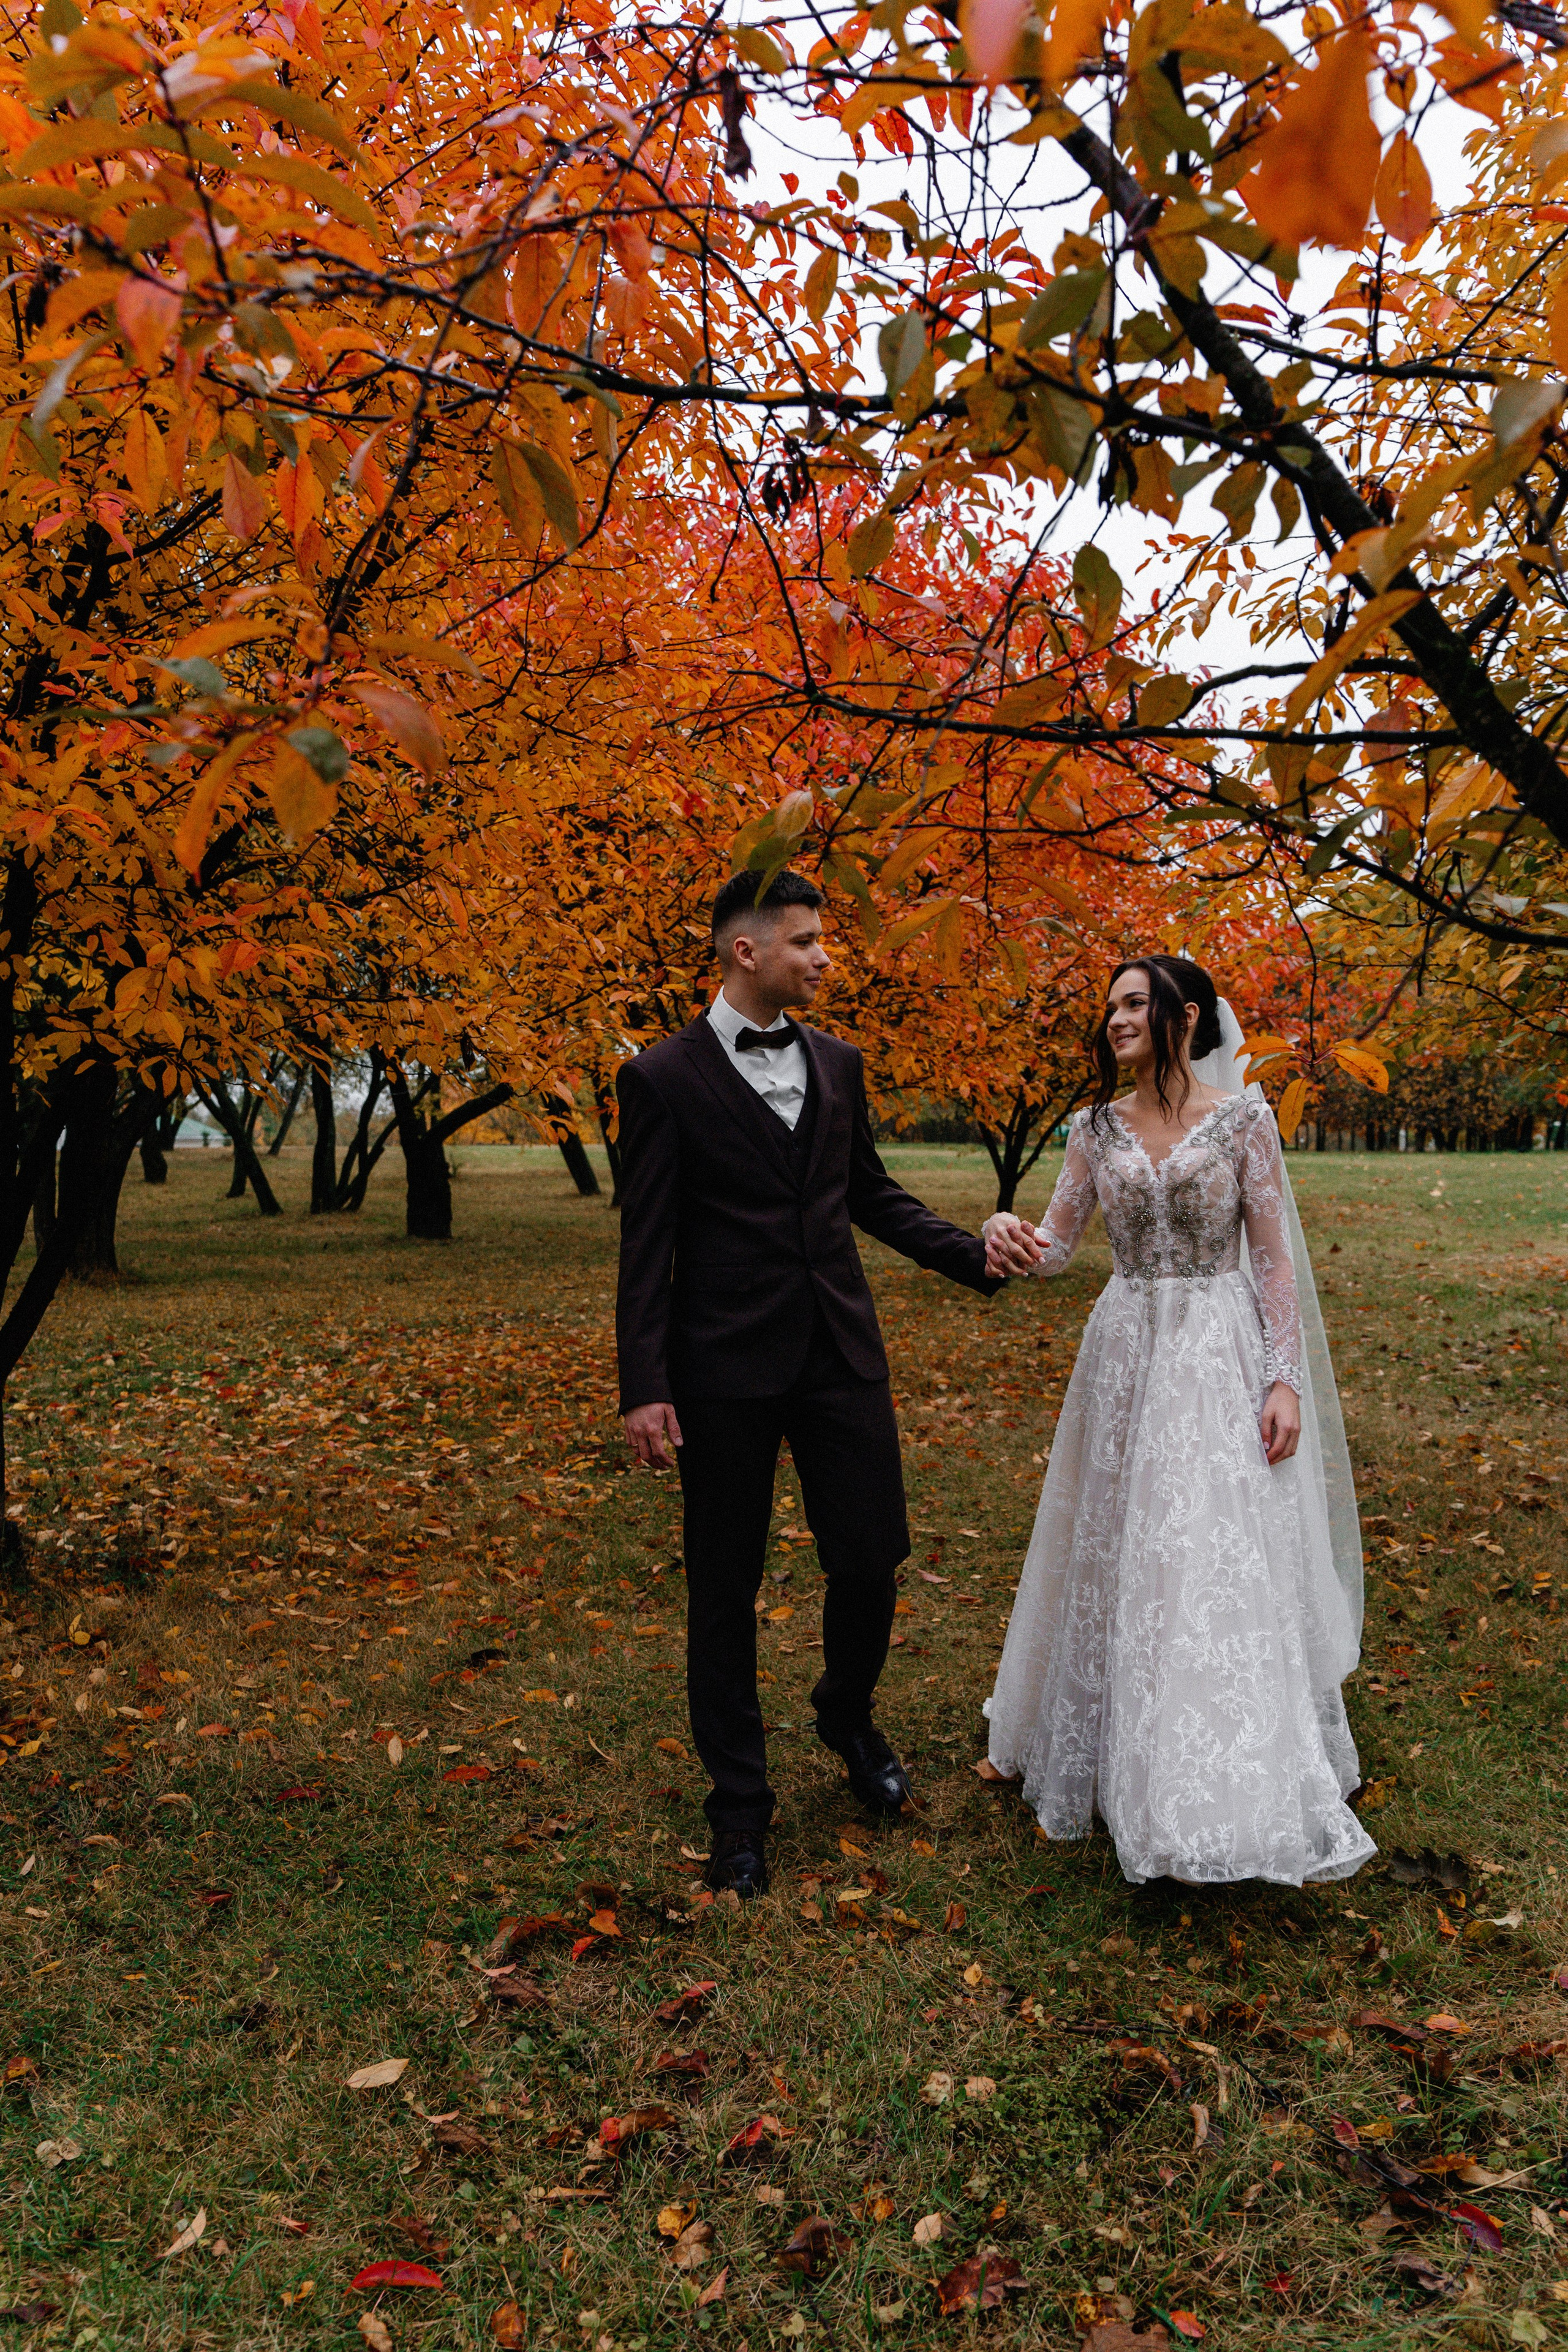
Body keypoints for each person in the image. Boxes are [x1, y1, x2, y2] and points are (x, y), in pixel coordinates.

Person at [615, 869, 1036, 1898]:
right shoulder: (663, 1078)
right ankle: (741, 1811)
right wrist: (645, 1383)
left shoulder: (840, 1065)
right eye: (805, 941)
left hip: (840, 1356)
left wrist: (973, 1257)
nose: (823, 956)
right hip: (722, 1371)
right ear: (746, 952)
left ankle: (846, 1713)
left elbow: (868, 1195)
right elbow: (647, 1244)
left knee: (870, 1558)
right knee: (725, 1588)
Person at [981, 956, 1373, 1889]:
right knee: (1120, 1538)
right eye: (1109, 1006)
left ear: (1181, 1015)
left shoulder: (1243, 1121)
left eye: (1131, 1003)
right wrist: (1006, 1231)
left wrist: (1284, 1382)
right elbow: (1058, 1249)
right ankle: (1113, 1732)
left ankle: (1218, 1754)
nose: (1114, 1019)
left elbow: (1273, 1261)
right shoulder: (1094, 1128)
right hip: (1124, 1351)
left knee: (1206, 1542)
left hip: (1216, 1349)